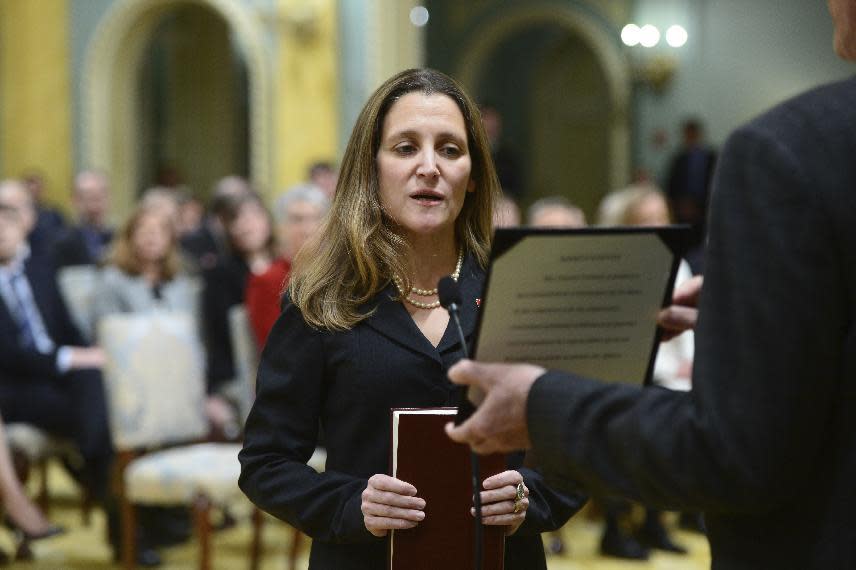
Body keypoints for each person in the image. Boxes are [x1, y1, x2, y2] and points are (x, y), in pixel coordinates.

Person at [447, 2, 856, 566]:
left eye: (452, 149)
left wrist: (543, 405)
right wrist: (765, 315)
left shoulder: (784, 150)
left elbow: (735, 456)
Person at [238, 68, 584, 569]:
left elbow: (575, 446)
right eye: (405, 148)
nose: (429, 167)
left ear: (473, 177)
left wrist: (530, 497)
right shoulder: (322, 298)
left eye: (449, 149)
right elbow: (266, 463)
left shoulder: (522, 290)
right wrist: (350, 503)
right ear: (371, 169)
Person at [245, 183, 329, 349]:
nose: (308, 228)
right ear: (280, 228)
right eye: (297, 219)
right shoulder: (267, 280)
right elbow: (276, 347)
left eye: (316, 218)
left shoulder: (335, 275)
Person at [52, 170, 114, 268]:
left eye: (101, 196)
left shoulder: (119, 239)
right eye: (89, 197)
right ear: (75, 200)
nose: (95, 204)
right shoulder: (60, 242)